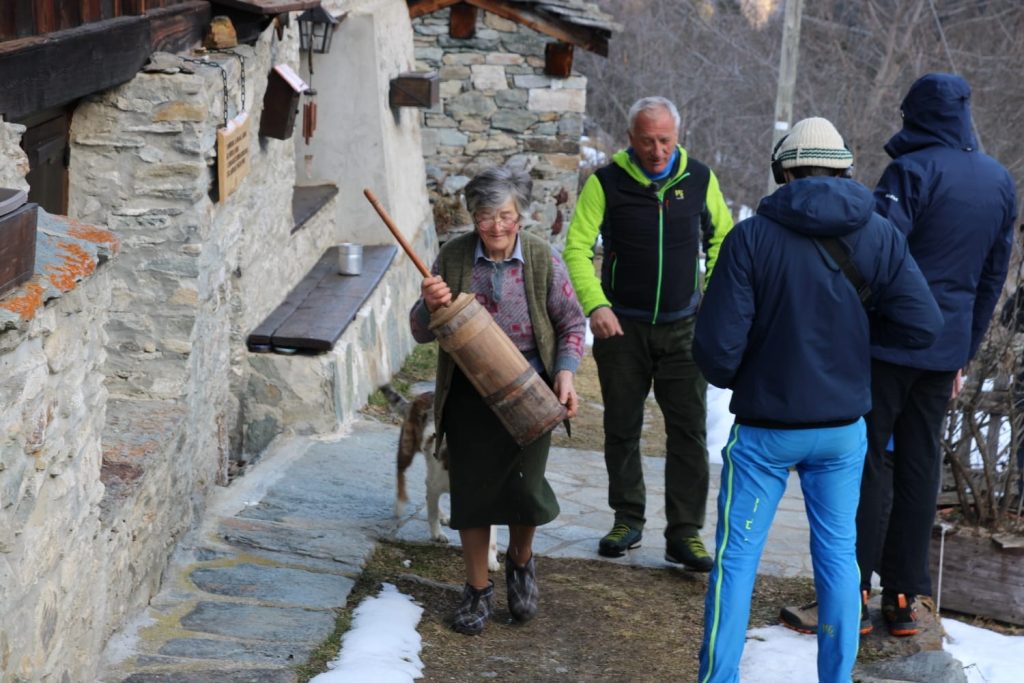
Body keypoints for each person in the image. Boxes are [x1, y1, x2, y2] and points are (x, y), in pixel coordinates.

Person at [694, 117, 943, 683]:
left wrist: (755, 371)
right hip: (841, 432)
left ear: (784, 170)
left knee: (736, 562)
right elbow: (924, 326)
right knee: (838, 561)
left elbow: (715, 351)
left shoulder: (751, 237)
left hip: (765, 430)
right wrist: (859, 348)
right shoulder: (879, 234)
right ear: (846, 169)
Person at [782, 74, 1018, 639]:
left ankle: (851, 592)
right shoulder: (999, 181)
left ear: (918, 114)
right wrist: (962, 351)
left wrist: (849, 327)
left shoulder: (910, 172)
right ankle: (907, 599)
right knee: (919, 466)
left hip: (887, 344)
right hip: (943, 353)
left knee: (864, 464)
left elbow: (875, 256)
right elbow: (992, 279)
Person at [409, 165, 586, 635]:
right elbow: (420, 331)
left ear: (521, 215)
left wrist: (565, 375)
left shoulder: (542, 259)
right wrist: (429, 304)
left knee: (525, 492)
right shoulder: (453, 257)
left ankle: (521, 560)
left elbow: (572, 324)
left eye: (505, 215)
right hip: (470, 394)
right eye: (485, 217)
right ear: (473, 217)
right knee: (473, 495)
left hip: (532, 392)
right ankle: (477, 590)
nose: (496, 227)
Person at [562, 96, 734, 569]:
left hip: (684, 328)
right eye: (646, 141)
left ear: (677, 137)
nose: (656, 150)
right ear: (630, 139)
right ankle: (627, 520)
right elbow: (576, 246)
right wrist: (595, 304)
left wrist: (712, 297)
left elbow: (723, 237)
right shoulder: (606, 182)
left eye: (664, 140)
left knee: (689, 432)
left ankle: (685, 534)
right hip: (623, 329)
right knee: (622, 427)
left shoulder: (700, 179)